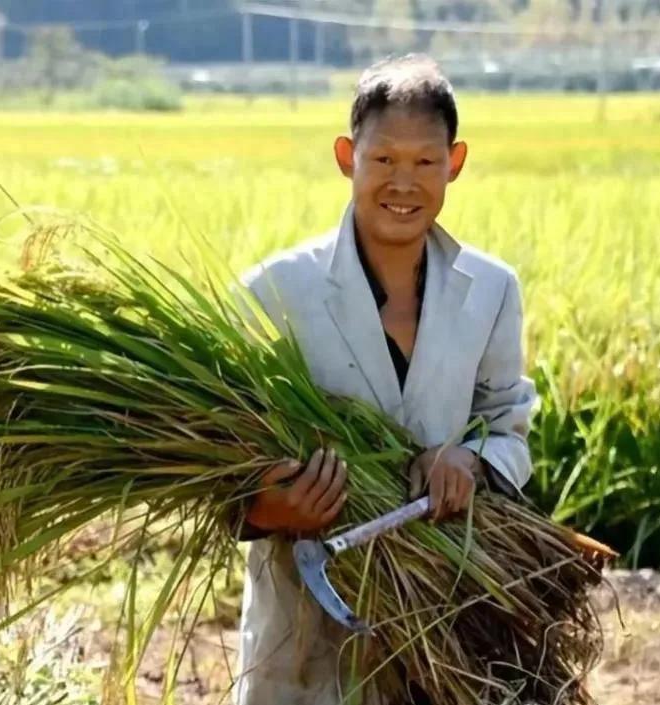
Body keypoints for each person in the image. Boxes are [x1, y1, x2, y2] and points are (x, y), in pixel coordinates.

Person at [231, 54, 539, 705]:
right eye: (383, 160)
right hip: (301, 636)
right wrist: (264, 507)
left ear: (455, 163)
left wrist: (471, 459)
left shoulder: (490, 290)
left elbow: (509, 422)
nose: (404, 182)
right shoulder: (275, 293)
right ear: (347, 156)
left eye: (425, 162)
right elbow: (216, 454)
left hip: (443, 622)